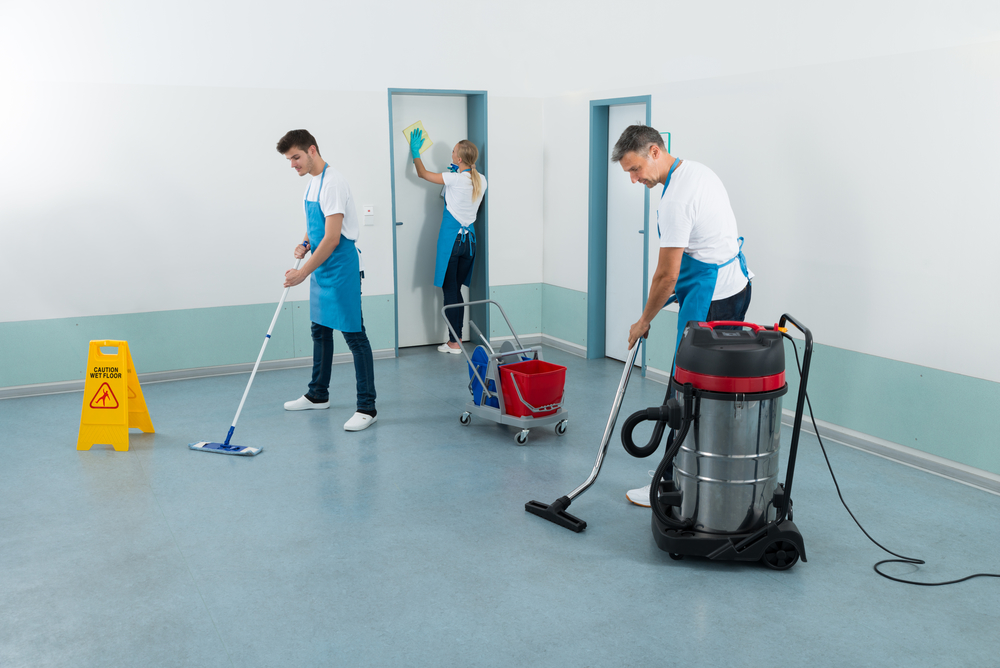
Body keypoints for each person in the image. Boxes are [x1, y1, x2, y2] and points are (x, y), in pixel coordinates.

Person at [612, 125, 753, 506]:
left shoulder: (675, 200)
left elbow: (666, 274)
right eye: (628, 172)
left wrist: (644, 320)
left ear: (654, 151)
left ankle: (671, 483)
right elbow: (705, 245)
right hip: (733, 286)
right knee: (702, 392)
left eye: (635, 169)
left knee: (686, 392)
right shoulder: (697, 171)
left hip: (712, 299)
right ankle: (689, 469)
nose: (634, 179)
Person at [276, 129, 377, 432]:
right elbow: (316, 226)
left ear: (312, 150)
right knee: (320, 331)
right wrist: (304, 244)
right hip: (321, 267)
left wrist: (302, 272)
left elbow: (332, 238)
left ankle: (367, 407)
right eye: (289, 159)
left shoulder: (333, 182)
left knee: (354, 336)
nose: (292, 164)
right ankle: (318, 394)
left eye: (295, 157)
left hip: (340, 266)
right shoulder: (312, 184)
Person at [408, 128, 487, 353]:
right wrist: (456, 173)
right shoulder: (481, 180)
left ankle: (454, 342)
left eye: (453, 152)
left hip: (452, 240)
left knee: (449, 290)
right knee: (456, 290)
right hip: (469, 243)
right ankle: (457, 339)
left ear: (459, 158)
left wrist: (415, 152)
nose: (451, 155)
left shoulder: (453, 179)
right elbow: (457, 192)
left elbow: (423, 174)